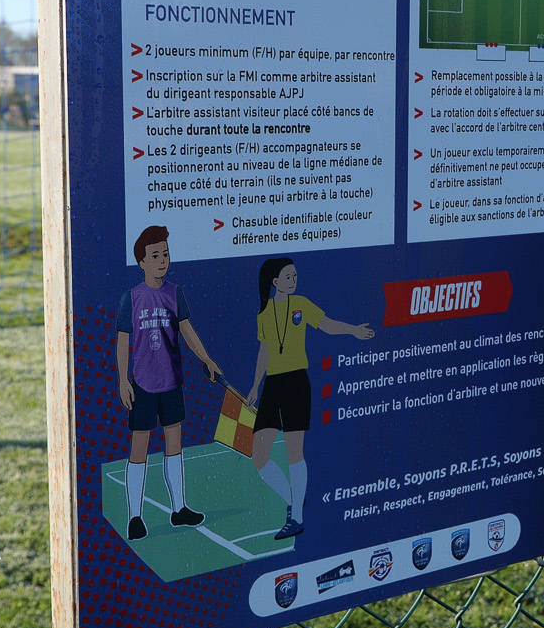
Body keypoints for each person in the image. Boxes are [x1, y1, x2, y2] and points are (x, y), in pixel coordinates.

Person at [246, 255, 374, 539]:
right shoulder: (264, 314)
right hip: (272, 386)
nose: (293, 280)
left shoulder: (301, 304)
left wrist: (353, 330)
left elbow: (327, 324)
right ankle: (295, 499)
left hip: (296, 383)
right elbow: (264, 352)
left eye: (295, 275)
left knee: (294, 451)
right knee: (259, 455)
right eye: (288, 276)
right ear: (275, 281)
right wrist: (255, 386)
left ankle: (297, 518)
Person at [117, 226, 225, 541]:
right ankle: (135, 517)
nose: (162, 260)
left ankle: (178, 509)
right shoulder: (131, 298)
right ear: (142, 262)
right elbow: (123, 342)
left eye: (165, 253)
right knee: (139, 445)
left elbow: (187, 331)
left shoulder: (175, 293)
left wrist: (207, 359)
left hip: (171, 381)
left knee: (173, 443)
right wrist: (123, 380)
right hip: (143, 384)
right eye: (155, 255)